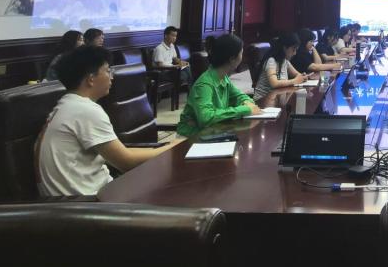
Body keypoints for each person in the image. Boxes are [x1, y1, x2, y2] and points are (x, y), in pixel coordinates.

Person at [36, 46, 174, 196]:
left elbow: (121, 154)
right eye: (108, 71)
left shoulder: (68, 104)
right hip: (86, 203)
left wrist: (165, 149)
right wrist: (172, 148)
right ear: (91, 79)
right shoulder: (84, 110)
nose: (112, 77)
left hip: (84, 196)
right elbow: (126, 162)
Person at [177, 34, 262, 137]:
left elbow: (240, 96)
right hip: (190, 138)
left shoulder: (223, 77)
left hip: (213, 133)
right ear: (232, 58)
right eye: (241, 53)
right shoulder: (205, 84)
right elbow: (206, 118)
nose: (242, 57)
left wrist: (247, 102)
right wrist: (245, 109)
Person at [252, 33, 307, 99]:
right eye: (293, 49)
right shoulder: (271, 60)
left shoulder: (285, 61)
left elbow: (297, 74)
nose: (295, 53)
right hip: (263, 100)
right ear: (284, 48)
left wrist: (302, 76)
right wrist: (294, 81)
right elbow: (274, 83)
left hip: (276, 97)